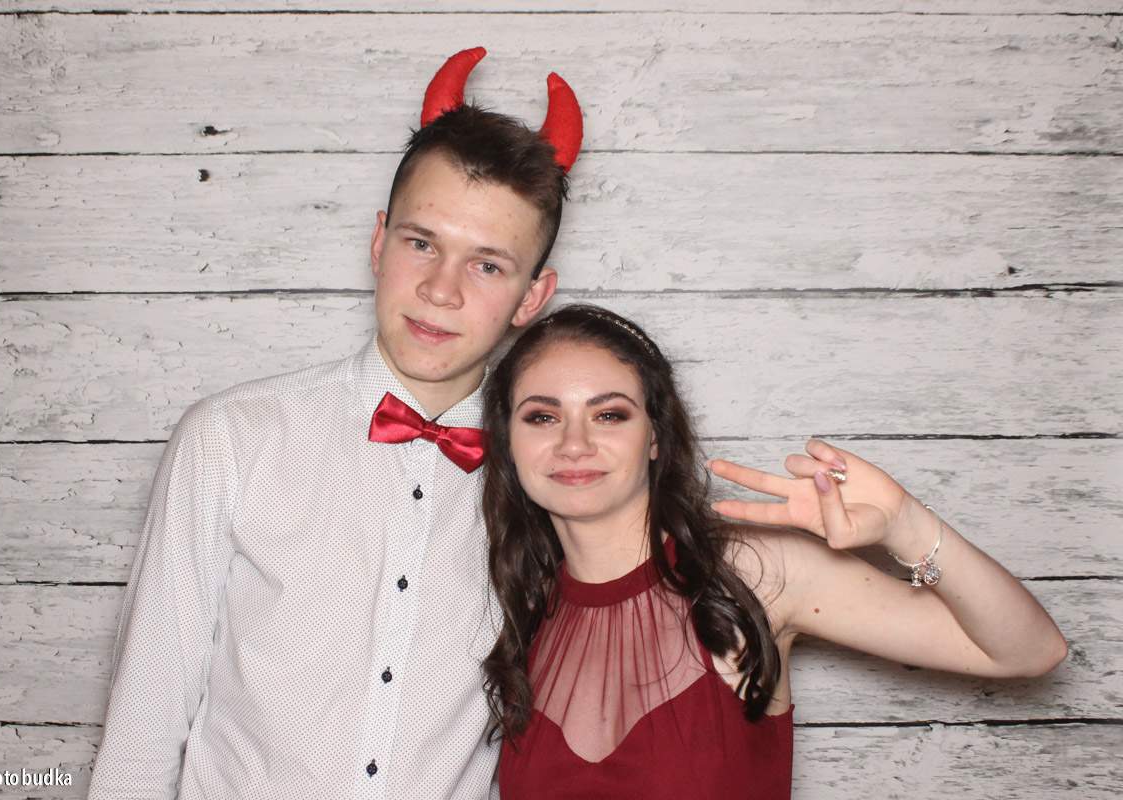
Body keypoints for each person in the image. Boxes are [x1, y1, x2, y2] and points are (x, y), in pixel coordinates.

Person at [88, 48, 581, 799]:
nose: (440, 290)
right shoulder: (231, 438)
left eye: (487, 265)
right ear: (379, 243)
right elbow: (144, 724)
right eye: (422, 243)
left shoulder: (553, 477)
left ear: (532, 297)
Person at [480, 304, 1068, 800]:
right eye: (543, 416)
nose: (574, 443)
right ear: (510, 441)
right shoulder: (518, 609)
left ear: (655, 436)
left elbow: (1029, 651)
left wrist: (905, 525)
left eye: (609, 414)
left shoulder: (753, 573)